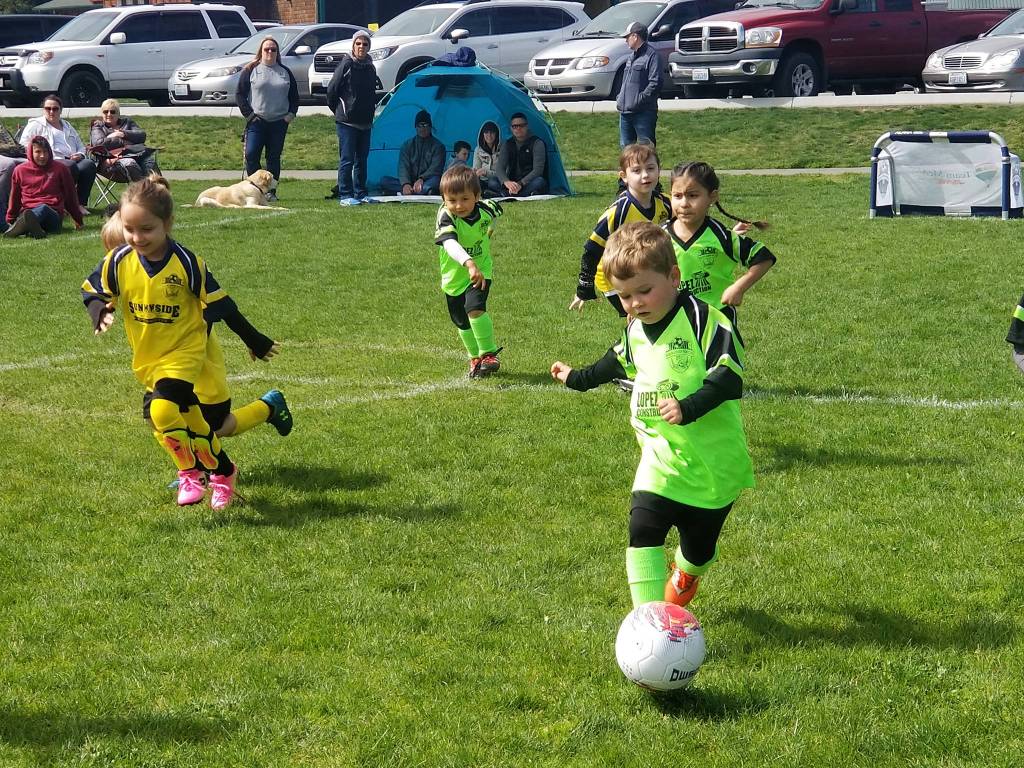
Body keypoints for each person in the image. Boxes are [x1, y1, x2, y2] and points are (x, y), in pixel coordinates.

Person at [551, 222, 754, 609]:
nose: (635, 304)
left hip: (714, 465)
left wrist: (687, 406)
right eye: (624, 296)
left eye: (644, 291)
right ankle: (648, 620)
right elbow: (611, 363)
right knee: (642, 528)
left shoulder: (707, 321)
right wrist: (574, 378)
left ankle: (688, 572)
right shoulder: (636, 331)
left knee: (697, 550)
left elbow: (729, 379)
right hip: (660, 459)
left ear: (674, 276)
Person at [81, 178, 254, 510]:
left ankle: (192, 472)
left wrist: (254, 340)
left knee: (178, 413)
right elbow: (92, 290)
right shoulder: (120, 261)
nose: (136, 238)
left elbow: (223, 306)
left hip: (190, 355)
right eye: (129, 230)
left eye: (145, 229)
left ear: (167, 224)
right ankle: (223, 472)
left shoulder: (185, 263)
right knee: (179, 423)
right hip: (151, 360)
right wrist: (98, 312)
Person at [570, 142, 670, 317]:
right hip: (613, 275)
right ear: (624, 176)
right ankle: (631, 342)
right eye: (637, 171)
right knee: (639, 314)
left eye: (650, 168)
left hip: (642, 268)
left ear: (659, 170)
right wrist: (584, 286)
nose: (645, 175)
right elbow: (592, 249)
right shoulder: (617, 212)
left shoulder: (667, 203)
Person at [666, 161, 775, 314]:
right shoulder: (660, 237)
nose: (684, 203)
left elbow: (764, 257)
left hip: (718, 317)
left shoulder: (721, 236)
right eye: (677, 196)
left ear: (713, 197)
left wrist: (739, 288)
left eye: (693, 195)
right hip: (675, 319)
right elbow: (645, 272)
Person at [434, 165, 504, 377]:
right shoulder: (446, 216)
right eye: (452, 200)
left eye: (465, 199)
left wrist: (488, 233)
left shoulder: (486, 208)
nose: (459, 205)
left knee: (474, 308)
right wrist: (467, 262)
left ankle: (488, 354)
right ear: (443, 200)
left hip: (481, 270)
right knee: (461, 321)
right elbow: (449, 244)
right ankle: (475, 358)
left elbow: (497, 211)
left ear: (477, 196)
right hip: (454, 276)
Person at [236, 36, 299, 203]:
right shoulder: (251, 70)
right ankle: (254, 190)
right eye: (266, 49)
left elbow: (294, 97)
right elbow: (240, 95)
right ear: (261, 51)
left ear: (277, 52)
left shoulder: (285, 71)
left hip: (279, 122)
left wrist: (290, 115)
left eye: (273, 49)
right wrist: (250, 115)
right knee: (251, 154)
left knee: (273, 157)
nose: (270, 52)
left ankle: (271, 191)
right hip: (257, 122)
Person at [19, 94, 95, 213]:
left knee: (88, 165)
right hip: (49, 161)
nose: (51, 111)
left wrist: (80, 155)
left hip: (73, 159)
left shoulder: (67, 126)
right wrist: (41, 157)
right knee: (69, 166)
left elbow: (81, 145)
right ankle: (65, 204)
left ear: (61, 110)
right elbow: (24, 145)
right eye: (48, 108)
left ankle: (80, 204)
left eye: (55, 109)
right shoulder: (35, 125)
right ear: (43, 110)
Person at [326, 29, 376, 206]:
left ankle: (361, 192)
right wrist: (340, 110)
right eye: (358, 43)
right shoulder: (346, 65)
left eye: (365, 44)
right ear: (353, 46)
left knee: (362, 160)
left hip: (365, 122)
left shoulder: (370, 66)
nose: (361, 47)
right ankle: (345, 194)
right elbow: (332, 89)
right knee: (347, 159)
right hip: (347, 121)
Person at [5, 136, 83, 238]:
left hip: (53, 215)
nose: (42, 156)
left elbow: (70, 196)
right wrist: (10, 219)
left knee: (43, 208)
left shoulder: (61, 169)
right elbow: (15, 196)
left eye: (45, 152)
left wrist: (78, 219)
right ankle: (31, 227)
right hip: (28, 210)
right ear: (30, 152)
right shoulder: (20, 170)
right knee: (28, 213)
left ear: (49, 152)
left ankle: (24, 226)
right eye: (38, 152)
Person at [89, 98, 159, 182]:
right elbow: (99, 143)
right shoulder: (98, 126)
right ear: (102, 113)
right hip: (111, 163)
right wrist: (123, 142)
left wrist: (123, 134)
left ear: (118, 113)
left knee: (150, 162)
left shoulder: (127, 122)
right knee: (130, 163)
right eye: (105, 111)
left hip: (136, 155)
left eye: (113, 111)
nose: (109, 114)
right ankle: (144, 191)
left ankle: (160, 192)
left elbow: (142, 136)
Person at [617, 22, 662, 150]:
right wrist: (620, 98)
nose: (626, 40)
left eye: (627, 37)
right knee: (626, 153)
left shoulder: (652, 55)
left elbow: (656, 83)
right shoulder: (631, 57)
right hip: (625, 113)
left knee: (647, 151)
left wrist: (639, 100)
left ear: (635, 36)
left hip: (644, 113)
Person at [380, 110, 445, 196]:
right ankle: (416, 191)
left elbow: (436, 168)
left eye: (425, 125)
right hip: (410, 182)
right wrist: (405, 184)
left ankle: (398, 192)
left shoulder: (438, 146)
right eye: (420, 125)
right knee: (384, 180)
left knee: (437, 181)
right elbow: (403, 167)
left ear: (430, 127)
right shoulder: (407, 145)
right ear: (415, 127)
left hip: (427, 181)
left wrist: (422, 178)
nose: (423, 128)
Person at [487, 113, 547, 198]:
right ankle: (522, 194)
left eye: (521, 125)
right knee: (492, 181)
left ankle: (505, 194)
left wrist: (520, 183)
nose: (518, 128)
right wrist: (506, 182)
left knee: (540, 181)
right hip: (512, 183)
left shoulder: (537, 143)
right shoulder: (507, 144)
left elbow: (538, 170)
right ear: (511, 128)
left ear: (527, 126)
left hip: (528, 182)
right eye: (515, 126)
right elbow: (500, 168)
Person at [472, 121, 501, 191]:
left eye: (492, 132)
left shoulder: (503, 148)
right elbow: (476, 168)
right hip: (482, 180)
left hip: (497, 180)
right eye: (486, 132)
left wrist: (486, 173)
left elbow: (504, 172)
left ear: (496, 134)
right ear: (482, 134)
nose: (489, 135)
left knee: (493, 183)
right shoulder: (478, 150)